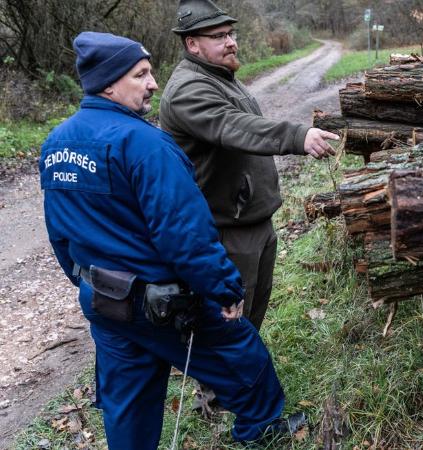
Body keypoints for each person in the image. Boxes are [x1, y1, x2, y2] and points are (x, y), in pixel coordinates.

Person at [40, 31, 305, 449]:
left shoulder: (57, 143)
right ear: (109, 83)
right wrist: (223, 287)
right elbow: (184, 234)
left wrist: (88, 282)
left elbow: (59, 233)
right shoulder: (147, 146)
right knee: (246, 361)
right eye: (141, 75)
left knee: (126, 402)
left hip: (105, 302)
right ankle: (263, 432)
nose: (152, 84)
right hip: (165, 305)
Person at [160, 0, 339, 333]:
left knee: (251, 320)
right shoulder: (188, 89)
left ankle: (244, 380)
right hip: (226, 232)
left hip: (253, 222)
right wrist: (296, 136)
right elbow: (235, 126)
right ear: (192, 44)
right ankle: (217, 387)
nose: (230, 42)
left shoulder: (221, 75)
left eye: (230, 33)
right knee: (227, 329)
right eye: (218, 36)